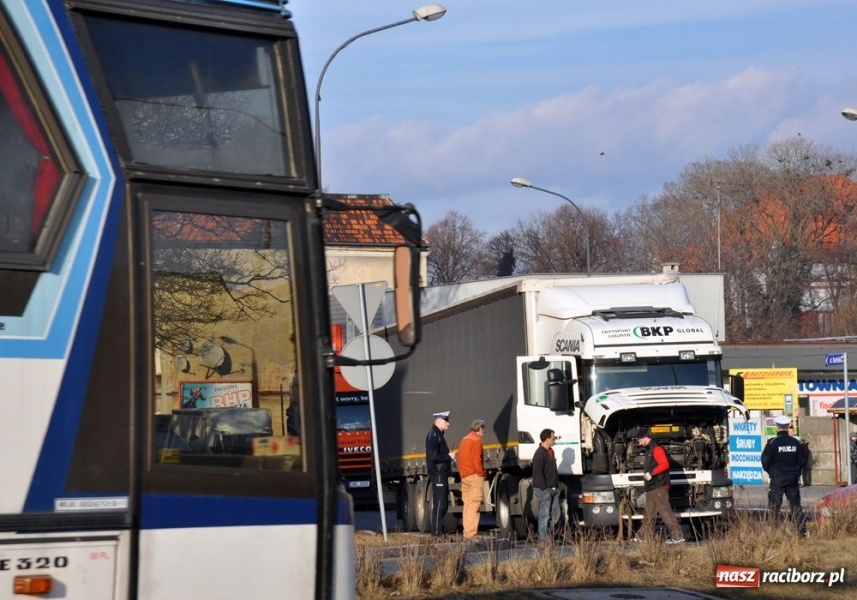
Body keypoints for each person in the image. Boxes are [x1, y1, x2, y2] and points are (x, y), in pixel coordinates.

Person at [633, 427, 685, 544]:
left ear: (645, 438)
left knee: (665, 512)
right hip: (652, 487)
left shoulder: (656, 449)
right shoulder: (650, 450)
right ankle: (642, 536)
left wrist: (652, 473)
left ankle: (677, 537)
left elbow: (665, 464)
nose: (639, 443)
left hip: (659, 486)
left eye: (640, 440)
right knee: (649, 514)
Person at [761, 415, 808, 524]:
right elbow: (803, 460)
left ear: (777, 427)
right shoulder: (796, 442)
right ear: (788, 427)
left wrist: (770, 471)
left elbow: (765, 460)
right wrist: (796, 470)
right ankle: (801, 531)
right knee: (795, 505)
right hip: (792, 477)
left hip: (777, 477)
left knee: (774, 506)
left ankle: (774, 531)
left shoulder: (772, 443)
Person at [426, 410, 456, 538]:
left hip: (441, 473)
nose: (448, 423)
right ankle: (437, 532)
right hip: (438, 473)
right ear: (438, 420)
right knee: (440, 504)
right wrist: (448, 456)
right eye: (446, 421)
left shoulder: (439, 434)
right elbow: (433, 456)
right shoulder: (434, 435)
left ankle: (439, 530)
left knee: (443, 503)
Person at [458, 419, 486, 539]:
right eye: (483, 430)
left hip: (465, 476)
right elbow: (476, 461)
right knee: (475, 505)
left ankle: (466, 532)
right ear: (479, 429)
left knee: (468, 505)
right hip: (474, 476)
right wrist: (482, 473)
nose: (484, 433)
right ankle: (471, 534)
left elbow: (460, 459)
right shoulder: (476, 440)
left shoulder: (464, 440)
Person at [532, 428, 561, 542]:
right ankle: (543, 540)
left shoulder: (551, 451)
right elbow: (538, 474)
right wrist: (544, 489)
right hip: (544, 490)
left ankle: (550, 536)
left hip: (554, 488)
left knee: (556, 514)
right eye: (553, 438)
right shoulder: (539, 454)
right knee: (544, 515)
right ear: (547, 439)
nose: (555, 440)